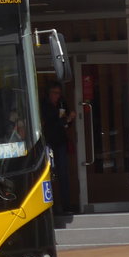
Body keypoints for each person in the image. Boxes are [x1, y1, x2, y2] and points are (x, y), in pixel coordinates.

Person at [41, 81, 77, 214]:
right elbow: (51, 122)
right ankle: (50, 207)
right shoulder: (44, 105)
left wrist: (69, 120)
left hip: (61, 142)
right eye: (55, 93)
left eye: (59, 93)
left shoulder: (62, 103)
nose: (57, 96)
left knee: (63, 174)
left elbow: (66, 122)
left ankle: (66, 206)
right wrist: (66, 120)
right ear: (49, 93)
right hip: (49, 142)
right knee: (49, 174)